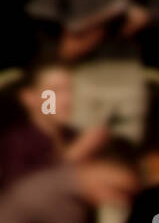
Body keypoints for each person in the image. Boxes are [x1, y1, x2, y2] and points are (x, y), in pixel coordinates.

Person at [26, 0, 159, 144]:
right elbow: (43, 14)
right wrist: (74, 40)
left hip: (124, 66)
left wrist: (142, 16)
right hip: (78, 70)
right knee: (78, 144)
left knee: (125, 149)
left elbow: (157, 8)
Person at [0, 61, 109, 192]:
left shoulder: (73, 135)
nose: (67, 99)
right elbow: (20, 195)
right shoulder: (16, 142)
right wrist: (73, 156)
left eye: (70, 90)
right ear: (29, 97)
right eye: (54, 91)